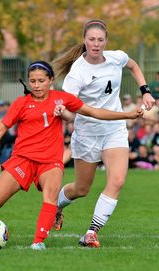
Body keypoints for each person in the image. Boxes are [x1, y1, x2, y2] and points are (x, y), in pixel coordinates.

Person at [0, 60, 142, 250]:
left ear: (50, 80)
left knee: (50, 197)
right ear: (28, 81)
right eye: (33, 81)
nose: (36, 85)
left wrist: (127, 115)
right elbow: (0, 130)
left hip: (51, 162)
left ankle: (38, 242)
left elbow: (94, 111)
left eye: (41, 81)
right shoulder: (21, 104)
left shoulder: (61, 99)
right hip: (23, 159)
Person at [52, 19, 155, 248]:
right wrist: (63, 113)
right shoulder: (77, 73)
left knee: (117, 181)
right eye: (91, 39)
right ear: (84, 40)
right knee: (81, 189)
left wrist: (145, 92)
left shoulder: (116, 57)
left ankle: (91, 232)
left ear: (106, 41)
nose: (96, 44)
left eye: (100, 40)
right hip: (87, 133)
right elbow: (71, 115)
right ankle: (56, 207)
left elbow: (134, 66)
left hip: (114, 129)